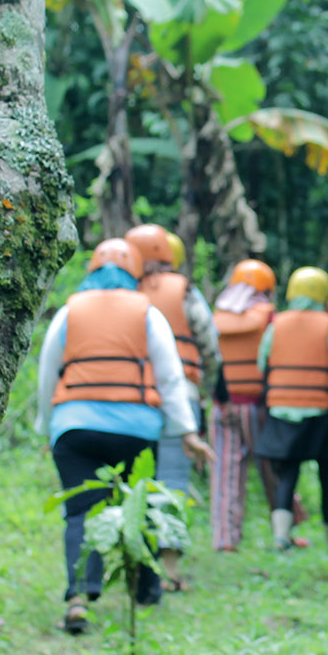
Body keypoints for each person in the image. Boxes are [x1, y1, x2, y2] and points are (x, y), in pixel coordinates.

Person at [35, 239, 214, 634]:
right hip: (136, 429)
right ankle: (147, 590)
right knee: (140, 505)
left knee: (81, 511)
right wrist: (186, 431)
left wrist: (47, 426)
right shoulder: (147, 312)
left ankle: (79, 598)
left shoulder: (69, 311)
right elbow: (169, 376)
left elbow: (48, 374)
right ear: (136, 274)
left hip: (74, 426)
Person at [125, 223, 221, 588]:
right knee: (174, 480)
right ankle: (170, 569)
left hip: (132, 398)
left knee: (135, 480)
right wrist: (205, 382)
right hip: (181, 395)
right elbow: (210, 345)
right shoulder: (185, 291)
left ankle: (135, 559)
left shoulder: (122, 291)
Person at [255, 266, 328, 550]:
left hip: (282, 410)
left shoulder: (276, 324)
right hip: (322, 411)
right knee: (327, 476)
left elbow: (263, 366)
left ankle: (281, 537)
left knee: (288, 474)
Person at [209, 259, 300, 551]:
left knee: (225, 473)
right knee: (273, 468)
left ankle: (225, 540)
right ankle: (284, 530)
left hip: (222, 405)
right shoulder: (269, 317)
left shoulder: (218, 315)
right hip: (258, 405)